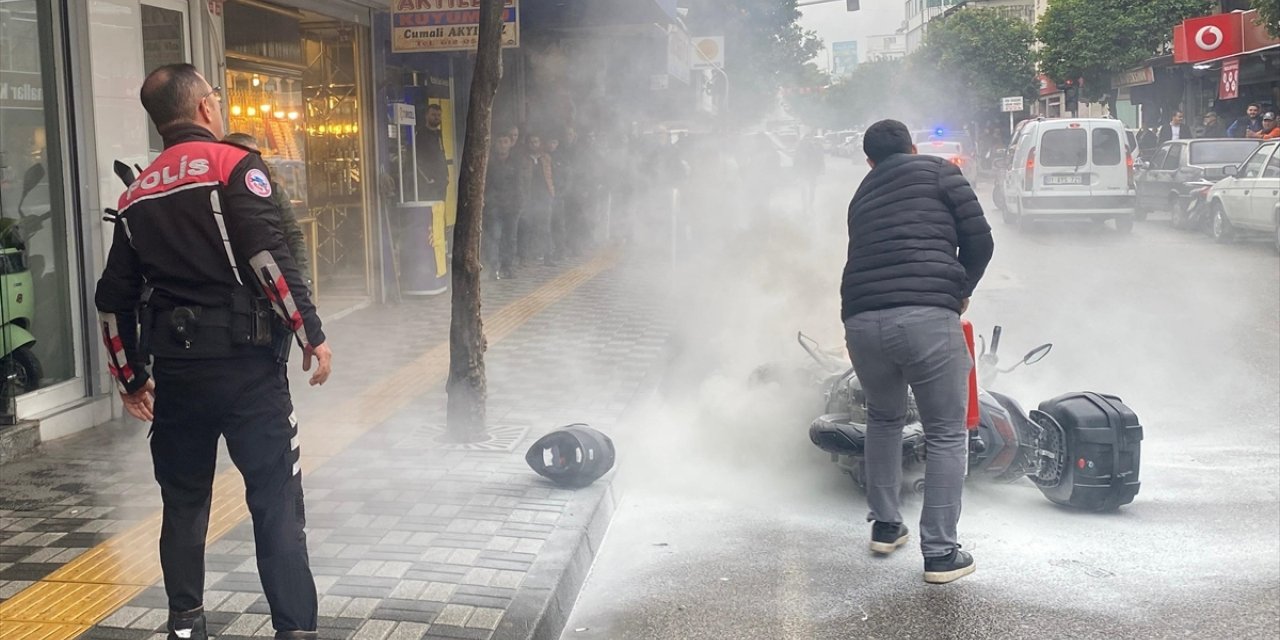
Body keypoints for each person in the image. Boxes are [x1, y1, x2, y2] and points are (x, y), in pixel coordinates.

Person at [94, 63, 332, 640]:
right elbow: (268, 258)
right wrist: (311, 334)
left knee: (183, 504)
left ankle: (186, 626)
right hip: (249, 371)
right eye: (217, 99)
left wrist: (131, 379)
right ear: (204, 107)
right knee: (275, 499)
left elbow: (111, 300)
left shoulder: (136, 193)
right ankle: (294, 629)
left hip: (177, 378)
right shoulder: (234, 165)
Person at [841, 119, 993, 585]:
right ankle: (941, 554)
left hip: (861, 321)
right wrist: (959, 289)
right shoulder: (940, 171)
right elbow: (980, 240)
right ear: (911, 147)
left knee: (884, 420)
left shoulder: (861, 194)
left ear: (870, 161)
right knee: (946, 432)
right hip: (926, 317)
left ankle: (886, 526)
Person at [222, 133, 313, 287]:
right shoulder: (218, 194)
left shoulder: (273, 190)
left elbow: (293, 235)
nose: (253, 163)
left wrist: (303, 278)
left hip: (276, 276)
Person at [483, 128, 523, 279]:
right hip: (494, 206)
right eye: (500, 142)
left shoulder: (515, 162)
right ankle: (493, 267)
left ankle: (508, 266)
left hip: (512, 206)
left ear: (510, 144)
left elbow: (520, 184)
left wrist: (519, 203)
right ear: (495, 143)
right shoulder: (489, 162)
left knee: (510, 238)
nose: (503, 145)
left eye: (506, 142)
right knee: (494, 236)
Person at [416, 103, 450, 201]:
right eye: (433, 115)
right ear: (426, 116)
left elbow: (441, 154)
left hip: (442, 180)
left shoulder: (438, 133)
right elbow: (416, 158)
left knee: (441, 209)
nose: (436, 117)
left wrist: (446, 175)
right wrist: (428, 178)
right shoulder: (421, 134)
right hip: (429, 183)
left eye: (439, 115)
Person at [795, 134, 826, 213]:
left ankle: (808, 205)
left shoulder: (805, 148)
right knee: (807, 189)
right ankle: (807, 205)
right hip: (808, 171)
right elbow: (819, 159)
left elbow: (819, 159)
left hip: (809, 171)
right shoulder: (812, 148)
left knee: (807, 189)